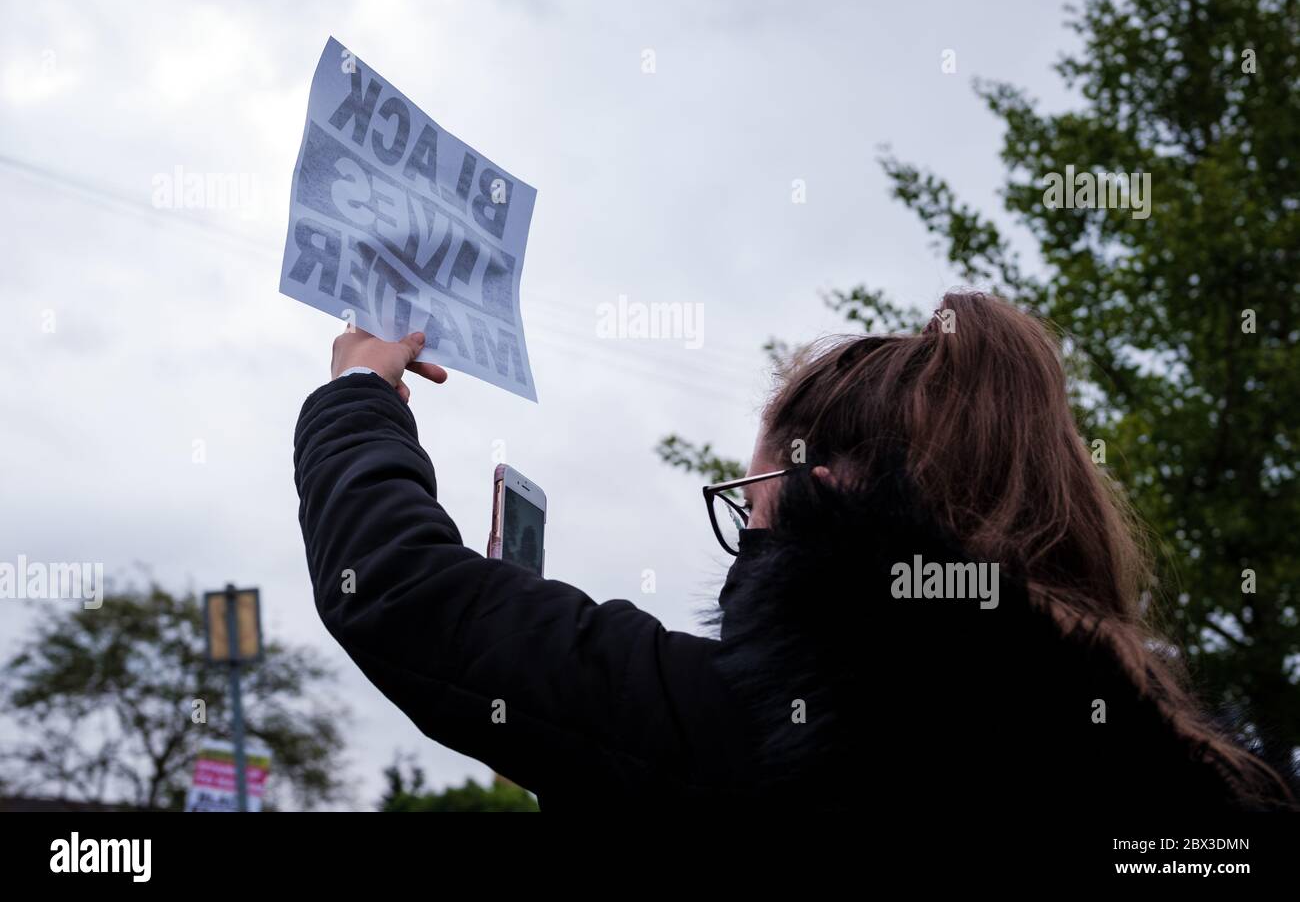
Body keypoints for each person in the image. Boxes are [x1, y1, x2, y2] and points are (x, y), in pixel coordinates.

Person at [293, 290, 1293, 811]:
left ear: (817, 499)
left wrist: (357, 397)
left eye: (746, 509)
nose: (744, 549)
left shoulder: (765, 729)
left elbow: (396, 591)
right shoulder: (1199, 771)